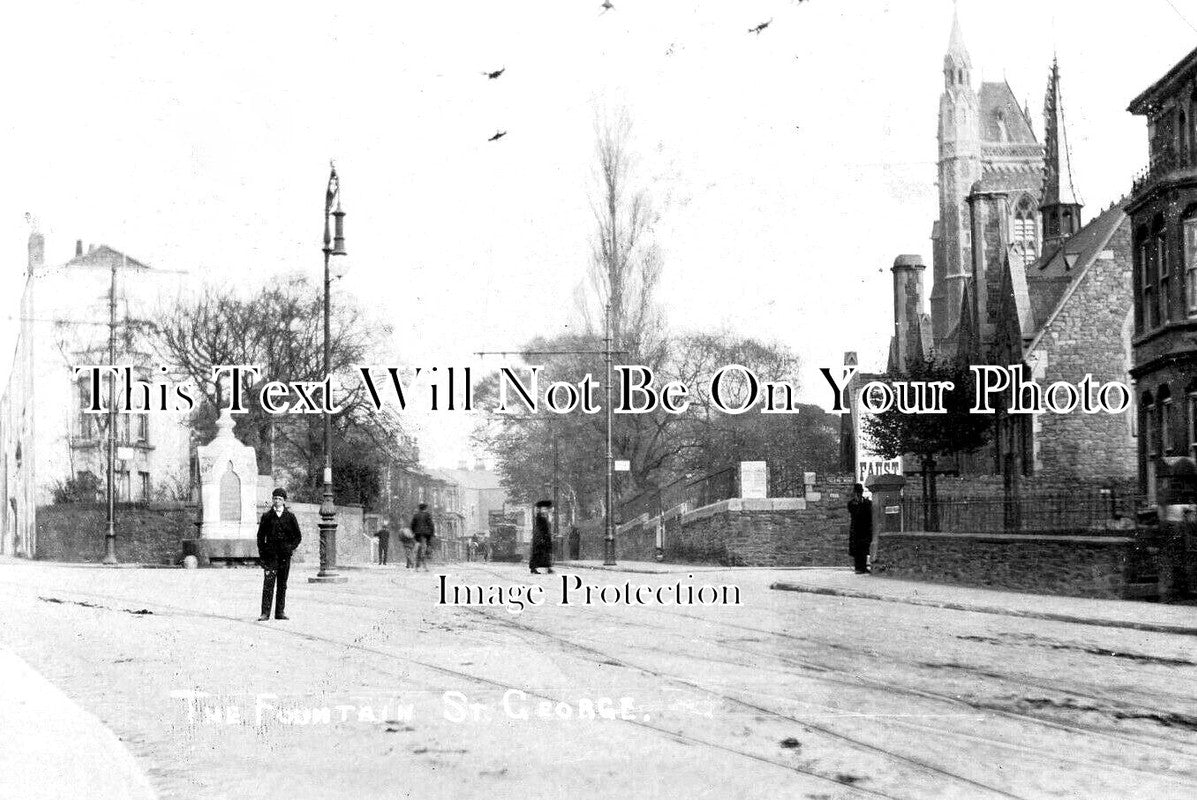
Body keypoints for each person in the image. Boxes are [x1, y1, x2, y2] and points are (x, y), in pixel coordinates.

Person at [257, 488, 302, 620]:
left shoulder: (290, 517)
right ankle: (265, 613)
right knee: (268, 584)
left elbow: (298, 536)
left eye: (280, 499)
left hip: (284, 556)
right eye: (275, 498)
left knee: (282, 584)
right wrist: (263, 555)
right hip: (270, 556)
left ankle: (279, 612)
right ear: (272, 500)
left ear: (284, 501)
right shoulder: (267, 517)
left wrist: (290, 548)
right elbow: (260, 537)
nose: (277, 501)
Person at [847, 482, 874, 574]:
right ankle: (858, 567)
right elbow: (855, 513)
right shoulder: (851, 503)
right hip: (856, 529)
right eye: (857, 492)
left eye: (859, 492)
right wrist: (858, 502)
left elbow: (869, 514)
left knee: (864, 548)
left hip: (865, 529)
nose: (858, 494)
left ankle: (864, 567)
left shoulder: (867, 503)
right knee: (857, 549)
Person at [529, 499, 554, 574]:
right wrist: (542, 537)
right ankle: (536, 568)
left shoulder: (542, 516)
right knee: (540, 553)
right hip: (541, 537)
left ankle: (546, 568)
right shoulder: (540, 517)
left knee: (543, 553)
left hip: (543, 537)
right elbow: (542, 528)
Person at [410, 503, 435, 571]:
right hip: (425, 535)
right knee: (424, 549)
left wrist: (413, 532)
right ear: (425, 508)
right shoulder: (427, 515)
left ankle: (417, 566)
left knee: (419, 549)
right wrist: (432, 533)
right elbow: (431, 524)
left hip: (417, 535)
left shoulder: (416, 515)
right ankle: (424, 565)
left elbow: (412, 525)